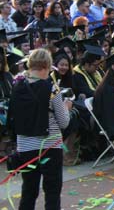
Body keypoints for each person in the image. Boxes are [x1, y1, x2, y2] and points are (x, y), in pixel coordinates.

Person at [10, 48, 72, 210]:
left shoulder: (16, 88)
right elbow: (64, 122)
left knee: (28, 191)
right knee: (52, 192)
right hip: (49, 147)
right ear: (46, 66)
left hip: (25, 146)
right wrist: (66, 107)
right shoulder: (52, 89)